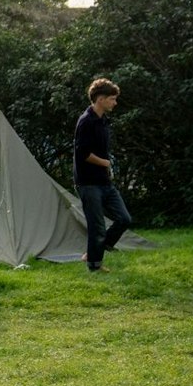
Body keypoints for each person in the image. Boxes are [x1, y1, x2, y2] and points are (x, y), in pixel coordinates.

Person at [75, 77, 133, 273]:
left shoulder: (104, 121)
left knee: (124, 219)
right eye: (112, 99)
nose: (115, 103)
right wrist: (105, 163)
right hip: (88, 183)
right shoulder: (86, 122)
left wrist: (107, 168)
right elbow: (83, 154)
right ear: (101, 99)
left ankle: (95, 251)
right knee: (97, 226)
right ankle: (94, 266)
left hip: (104, 182)